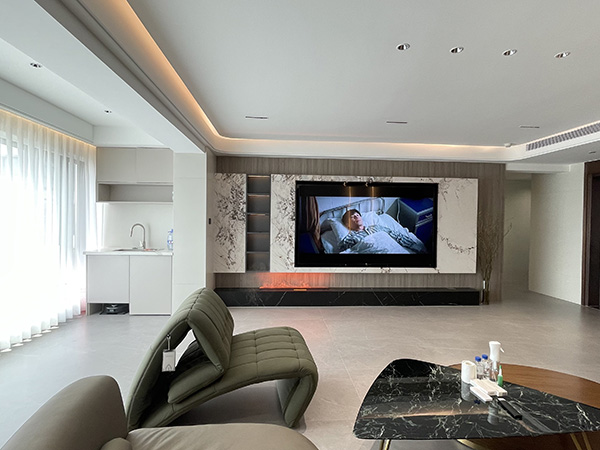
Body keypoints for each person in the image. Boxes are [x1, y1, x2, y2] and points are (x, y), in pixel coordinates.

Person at [340, 209, 427, 253]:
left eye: (357, 215)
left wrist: (416, 247)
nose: (356, 217)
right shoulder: (350, 238)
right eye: (352, 217)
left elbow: (396, 236)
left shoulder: (377, 227)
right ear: (348, 224)